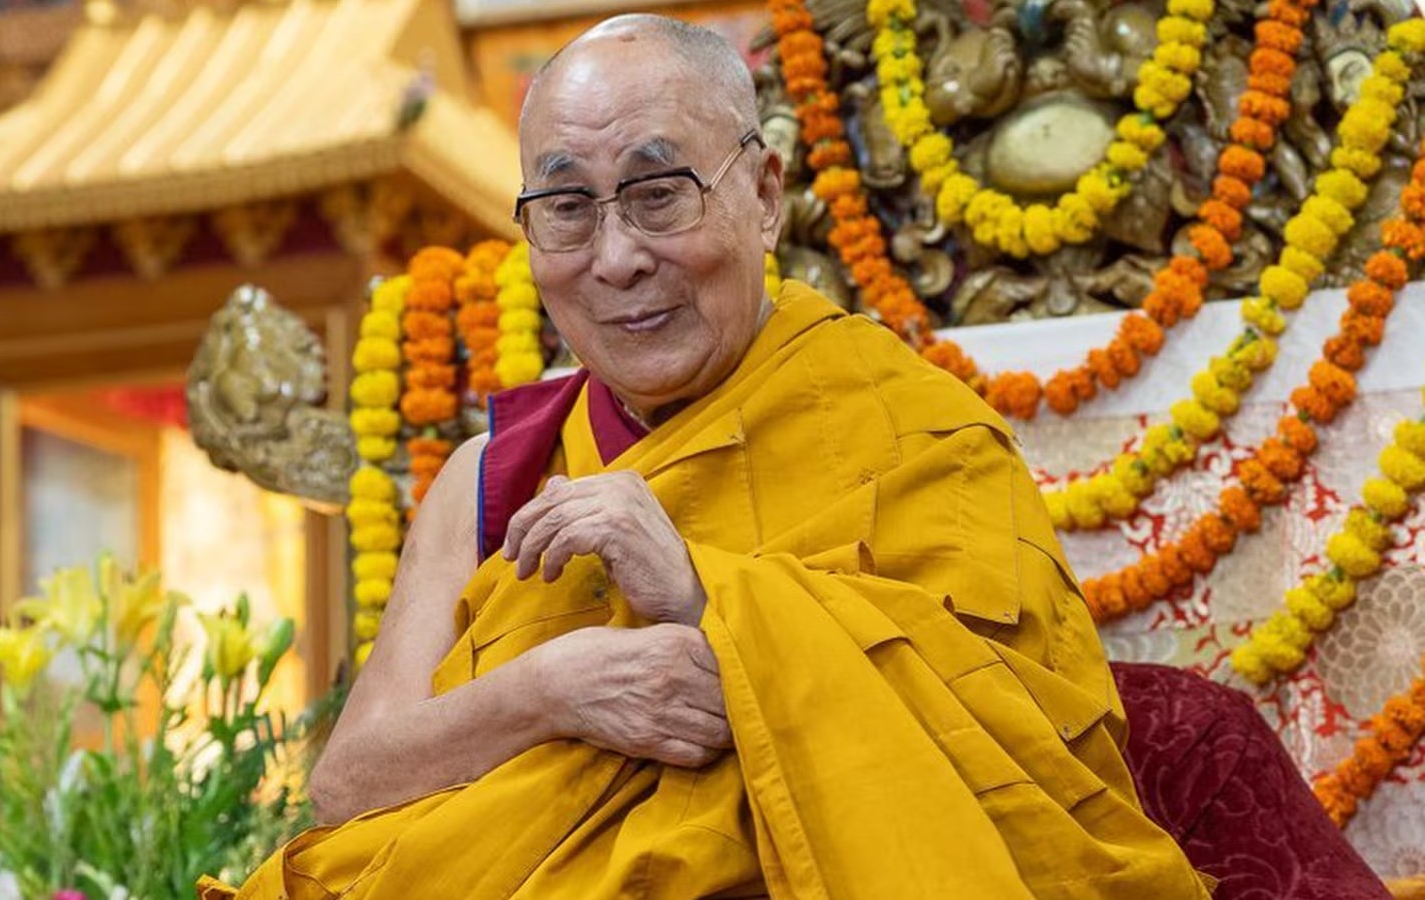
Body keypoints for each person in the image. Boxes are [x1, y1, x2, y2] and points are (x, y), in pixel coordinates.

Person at [200, 14, 1210, 899]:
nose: (615, 256)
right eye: (566, 207)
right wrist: (556, 688)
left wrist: (704, 600)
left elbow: (1032, 743)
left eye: (656, 192)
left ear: (764, 193)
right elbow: (353, 782)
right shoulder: (491, 476)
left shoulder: (916, 434)